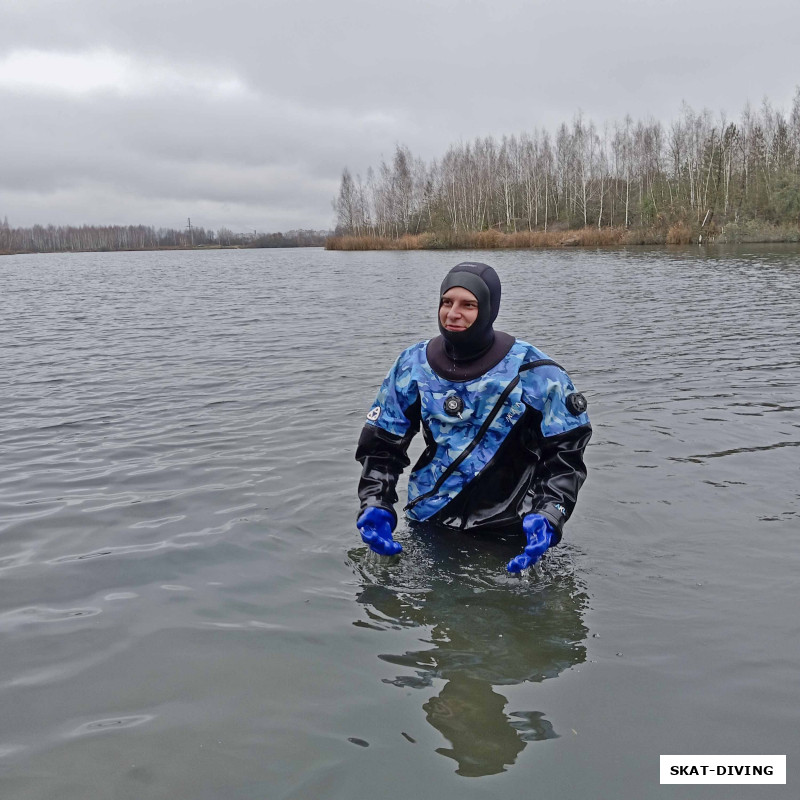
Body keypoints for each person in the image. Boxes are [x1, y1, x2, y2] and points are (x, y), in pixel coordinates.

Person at [355, 262, 591, 572]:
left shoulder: (534, 372)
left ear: (489, 309)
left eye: (468, 305)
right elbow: (382, 447)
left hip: (511, 529)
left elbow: (566, 455)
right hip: (429, 522)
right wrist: (376, 503)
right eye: (446, 302)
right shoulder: (411, 365)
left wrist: (549, 514)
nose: (453, 313)